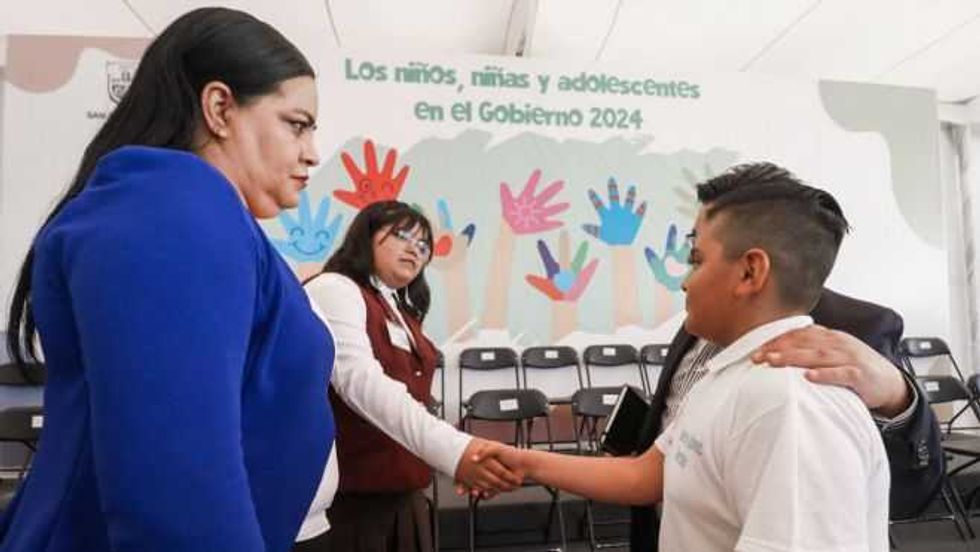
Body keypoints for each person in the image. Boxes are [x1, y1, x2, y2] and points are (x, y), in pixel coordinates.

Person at [1, 8, 334, 552]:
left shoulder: (196, 214)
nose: (311, 152)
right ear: (220, 107)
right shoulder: (173, 211)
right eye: (296, 125)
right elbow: (176, 493)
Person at [480, 162, 891, 551]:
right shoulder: (731, 374)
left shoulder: (789, 403)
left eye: (696, 260)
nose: (684, 282)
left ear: (750, 273)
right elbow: (648, 475)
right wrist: (524, 462)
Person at [628, 287, 943, 550]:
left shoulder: (854, 329)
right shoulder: (700, 322)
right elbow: (658, 456)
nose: (687, 279)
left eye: (699, 255)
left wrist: (897, 397)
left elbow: (908, 491)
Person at [295, 201, 520, 551]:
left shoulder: (399, 309)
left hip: (405, 496)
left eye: (424, 245)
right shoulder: (335, 289)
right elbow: (361, 383)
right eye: (403, 235)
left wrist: (456, 459)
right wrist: (456, 453)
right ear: (366, 235)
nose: (415, 249)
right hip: (353, 504)